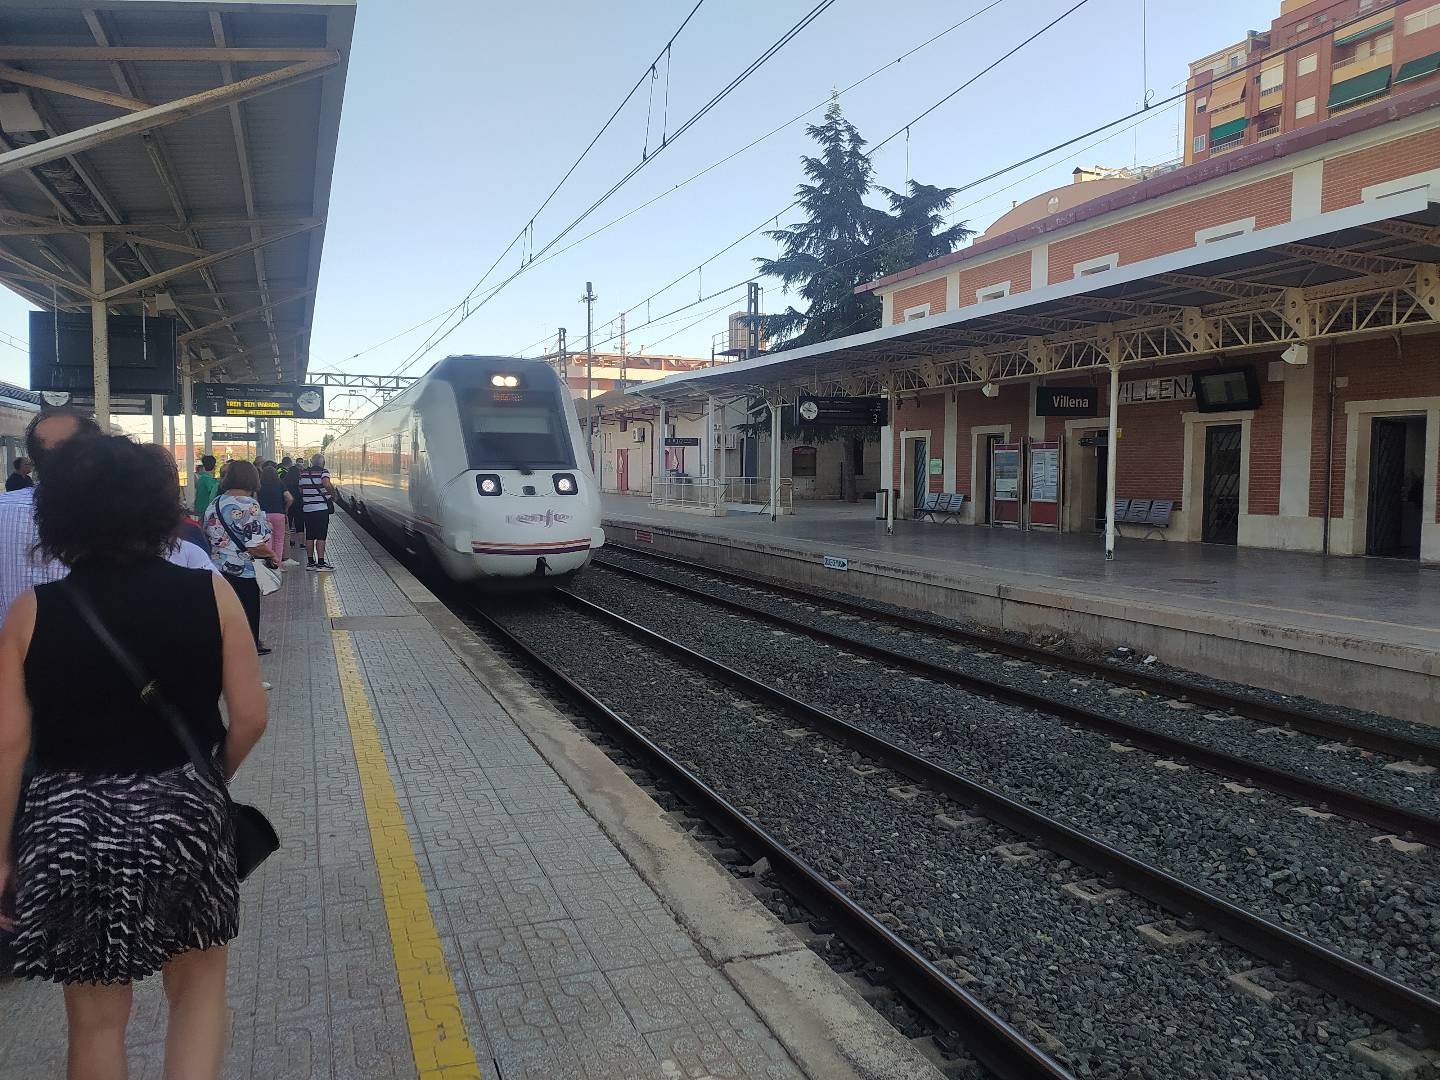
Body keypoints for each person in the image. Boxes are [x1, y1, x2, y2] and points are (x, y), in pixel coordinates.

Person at [0, 433, 267, 1080]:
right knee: (198, 993)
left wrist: (2, 855)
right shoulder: (212, 594)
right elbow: (251, 716)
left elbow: (8, 745)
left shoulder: (33, 611)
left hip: (70, 824)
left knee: (95, 1022)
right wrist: (211, 777)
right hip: (185, 815)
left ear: (62, 514)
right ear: (160, 507)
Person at [0, 410, 102, 619]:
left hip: (11, 646)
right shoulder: (118, 511)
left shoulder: (3, 508)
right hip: (88, 646)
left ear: (33, 458)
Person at [204, 461, 275, 655]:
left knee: (226, 622)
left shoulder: (215, 502)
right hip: (244, 572)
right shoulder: (250, 505)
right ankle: (247, 676)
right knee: (247, 622)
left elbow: (209, 534)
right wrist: (272, 555)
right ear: (253, 479)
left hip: (218, 571)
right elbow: (255, 545)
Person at [298, 453, 336, 572]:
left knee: (310, 535)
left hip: (307, 509)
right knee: (321, 536)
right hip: (320, 509)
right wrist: (332, 494)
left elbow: (300, 489)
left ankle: (310, 562)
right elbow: (325, 483)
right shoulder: (324, 472)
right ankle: (320, 563)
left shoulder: (303, 473)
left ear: (311, 462)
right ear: (322, 463)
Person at [256, 463, 293, 570]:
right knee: (279, 540)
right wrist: (285, 509)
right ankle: (278, 565)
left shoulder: (259, 485)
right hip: (279, 514)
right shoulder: (280, 484)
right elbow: (289, 498)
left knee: (268, 540)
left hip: (263, 515)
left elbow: (255, 500)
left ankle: (269, 564)